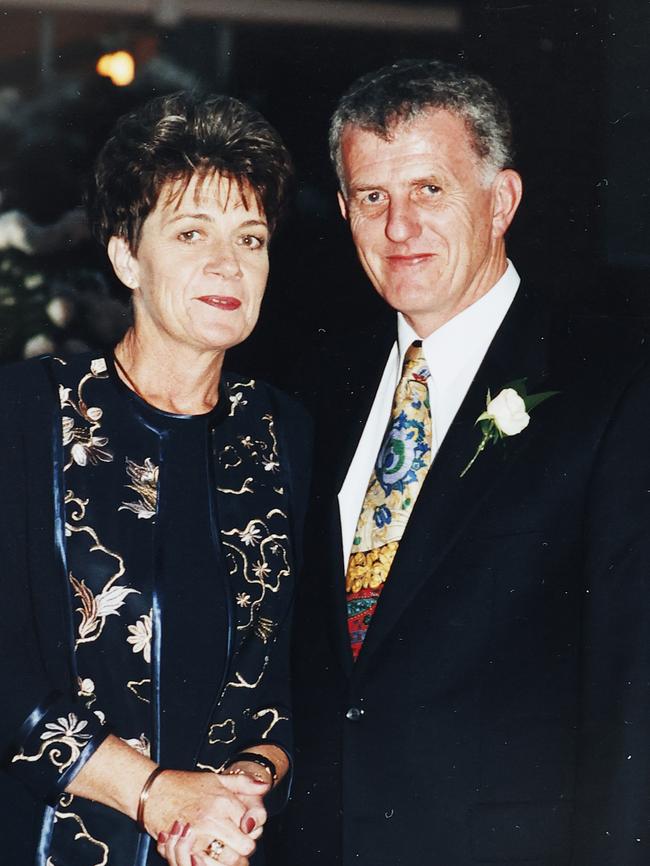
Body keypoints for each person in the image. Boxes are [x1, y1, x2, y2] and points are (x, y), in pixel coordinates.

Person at [269, 59, 650, 865]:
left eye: (430, 190)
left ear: (501, 200)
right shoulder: (316, 388)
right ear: (343, 211)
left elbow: (633, 695)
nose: (398, 227)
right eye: (373, 198)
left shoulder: (613, 387)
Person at [0, 91, 311, 866]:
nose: (226, 263)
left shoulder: (284, 433)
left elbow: (285, 685)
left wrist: (234, 793)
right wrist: (155, 794)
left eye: (250, 237)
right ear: (125, 256)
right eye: (190, 232)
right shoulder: (26, 412)